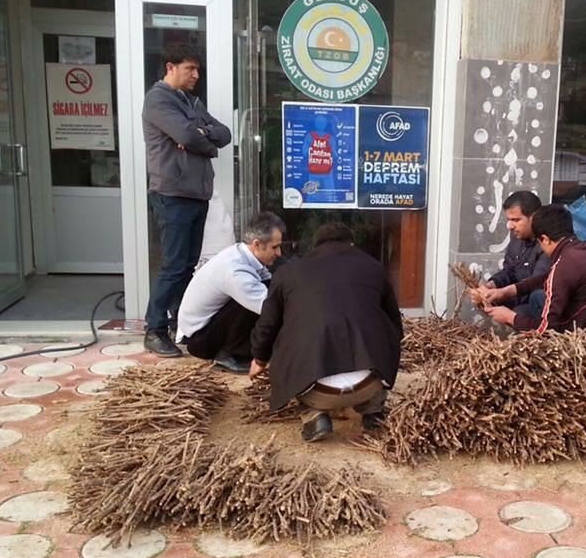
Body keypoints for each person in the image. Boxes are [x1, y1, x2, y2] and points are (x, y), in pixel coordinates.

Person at [249, 223, 403, 443]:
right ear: (351, 244)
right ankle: (372, 409)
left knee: (287, 340)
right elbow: (395, 327)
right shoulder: (374, 268)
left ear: (316, 246)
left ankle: (315, 415)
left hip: (316, 391)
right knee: (377, 334)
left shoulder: (289, 273)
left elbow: (268, 325)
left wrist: (260, 358)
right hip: (369, 384)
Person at [142, 43, 232, 357]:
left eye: (198, 69)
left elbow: (224, 133)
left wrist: (199, 134)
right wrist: (200, 138)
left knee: (188, 265)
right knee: (174, 265)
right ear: (170, 67)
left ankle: (178, 323)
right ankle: (154, 329)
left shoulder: (191, 102)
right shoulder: (158, 100)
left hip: (196, 193)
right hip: (172, 193)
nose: (196, 75)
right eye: (189, 68)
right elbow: (190, 137)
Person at [477, 204, 586, 350]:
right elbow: (547, 278)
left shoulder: (564, 263)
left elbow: (545, 329)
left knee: (532, 317)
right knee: (539, 299)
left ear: (545, 239)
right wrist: (506, 291)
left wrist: (510, 317)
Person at [176, 212, 286, 373]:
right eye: (274, 247)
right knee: (264, 304)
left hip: (209, 327)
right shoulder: (235, 270)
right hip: (200, 339)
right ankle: (226, 353)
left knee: (269, 289)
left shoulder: (243, 255)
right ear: (256, 244)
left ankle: (239, 348)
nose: (279, 253)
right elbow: (270, 308)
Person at [483, 191, 552, 318]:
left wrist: (502, 297)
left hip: (539, 304)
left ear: (534, 217)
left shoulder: (547, 244)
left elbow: (536, 285)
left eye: (516, 220)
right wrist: (493, 284)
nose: (510, 226)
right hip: (518, 297)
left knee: (522, 311)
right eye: (509, 220)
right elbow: (509, 269)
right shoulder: (516, 238)